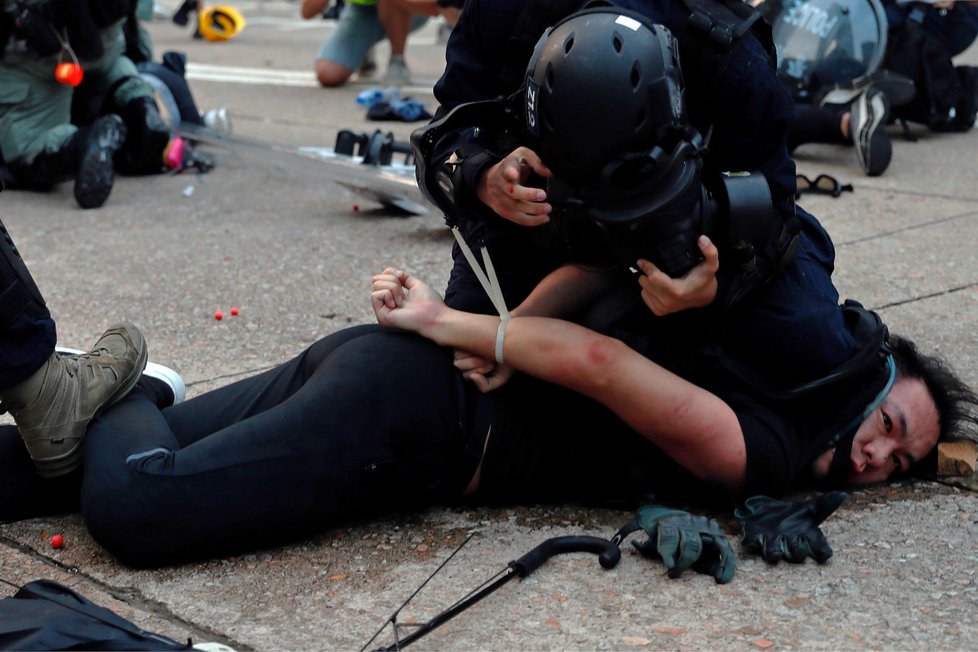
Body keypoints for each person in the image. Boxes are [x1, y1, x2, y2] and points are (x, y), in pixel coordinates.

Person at [0, 204, 974, 571]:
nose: (882, 455)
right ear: (862, 384)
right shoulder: (752, 447)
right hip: (408, 415)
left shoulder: (754, 362)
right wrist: (452, 324)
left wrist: (491, 337)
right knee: (137, 507)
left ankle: (106, 397)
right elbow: (602, 361)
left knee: (43, 467)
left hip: (389, 383)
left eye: (903, 463)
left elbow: (602, 276)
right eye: (890, 424)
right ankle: (125, 386)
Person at [0, 0, 176, 208]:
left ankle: (81, 144)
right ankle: (139, 106)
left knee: (24, 144)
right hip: (106, 34)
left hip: (43, 44)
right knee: (109, 65)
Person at [300, 0, 432, 87]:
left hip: (410, 7)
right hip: (362, 11)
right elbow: (307, 12)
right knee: (328, 73)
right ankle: (364, 50)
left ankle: (397, 60)